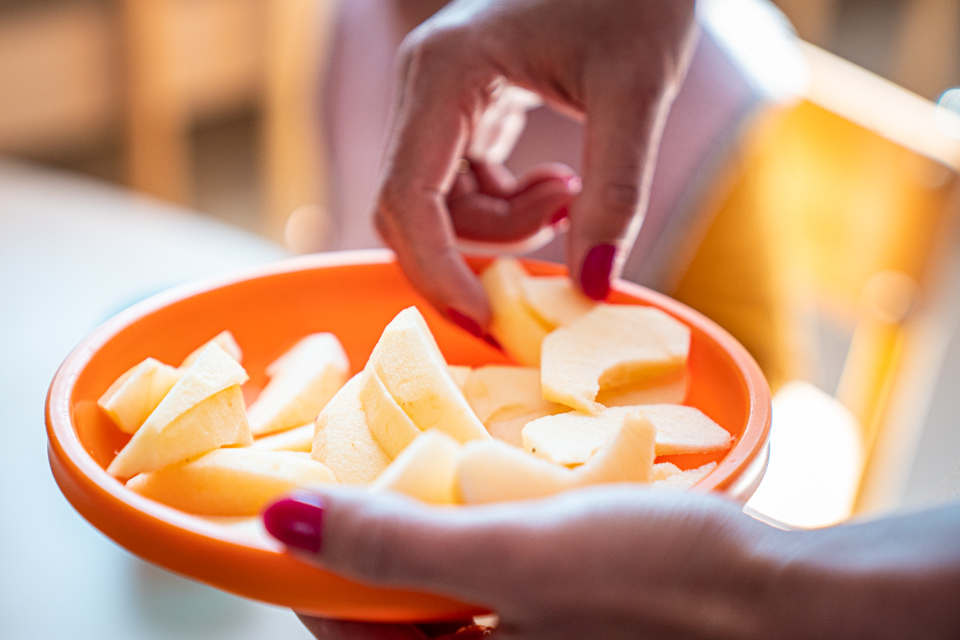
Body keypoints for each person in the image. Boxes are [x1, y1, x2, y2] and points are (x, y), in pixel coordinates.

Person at [264, 1, 960, 637]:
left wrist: (753, 581)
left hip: (595, 542)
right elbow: (333, 230)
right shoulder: (353, 25)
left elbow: (748, 387)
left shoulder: (706, 96)